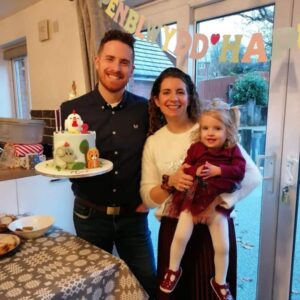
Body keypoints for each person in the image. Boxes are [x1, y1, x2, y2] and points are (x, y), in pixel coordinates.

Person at [140, 67, 262, 300]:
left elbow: (252, 175)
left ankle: (220, 282)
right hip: (175, 228)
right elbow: (148, 198)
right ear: (156, 100)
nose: (173, 98)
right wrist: (170, 183)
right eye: (166, 92)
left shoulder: (212, 126)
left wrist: (221, 202)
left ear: (190, 96)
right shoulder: (153, 143)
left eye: (180, 92)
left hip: (213, 227)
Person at [60, 29, 156, 299]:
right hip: (89, 216)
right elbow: (66, 158)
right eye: (110, 59)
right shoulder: (71, 110)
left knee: (147, 281)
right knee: (93, 286)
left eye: (124, 62)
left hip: (133, 218)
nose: (116, 68)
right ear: (97, 60)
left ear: (132, 68)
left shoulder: (146, 110)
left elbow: (158, 155)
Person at [160, 99, 246, 300]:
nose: (210, 133)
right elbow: (186, 167)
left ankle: (220, 280)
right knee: (180, 236)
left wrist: (219, 170)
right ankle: (173, 270)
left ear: (228, 131)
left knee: (223, 246)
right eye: (206, 128)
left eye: (217, 128)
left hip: (217, 205)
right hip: (192, 198)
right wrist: (194, 170)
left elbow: (240, 171)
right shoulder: (196, 148)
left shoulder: (232, 150)